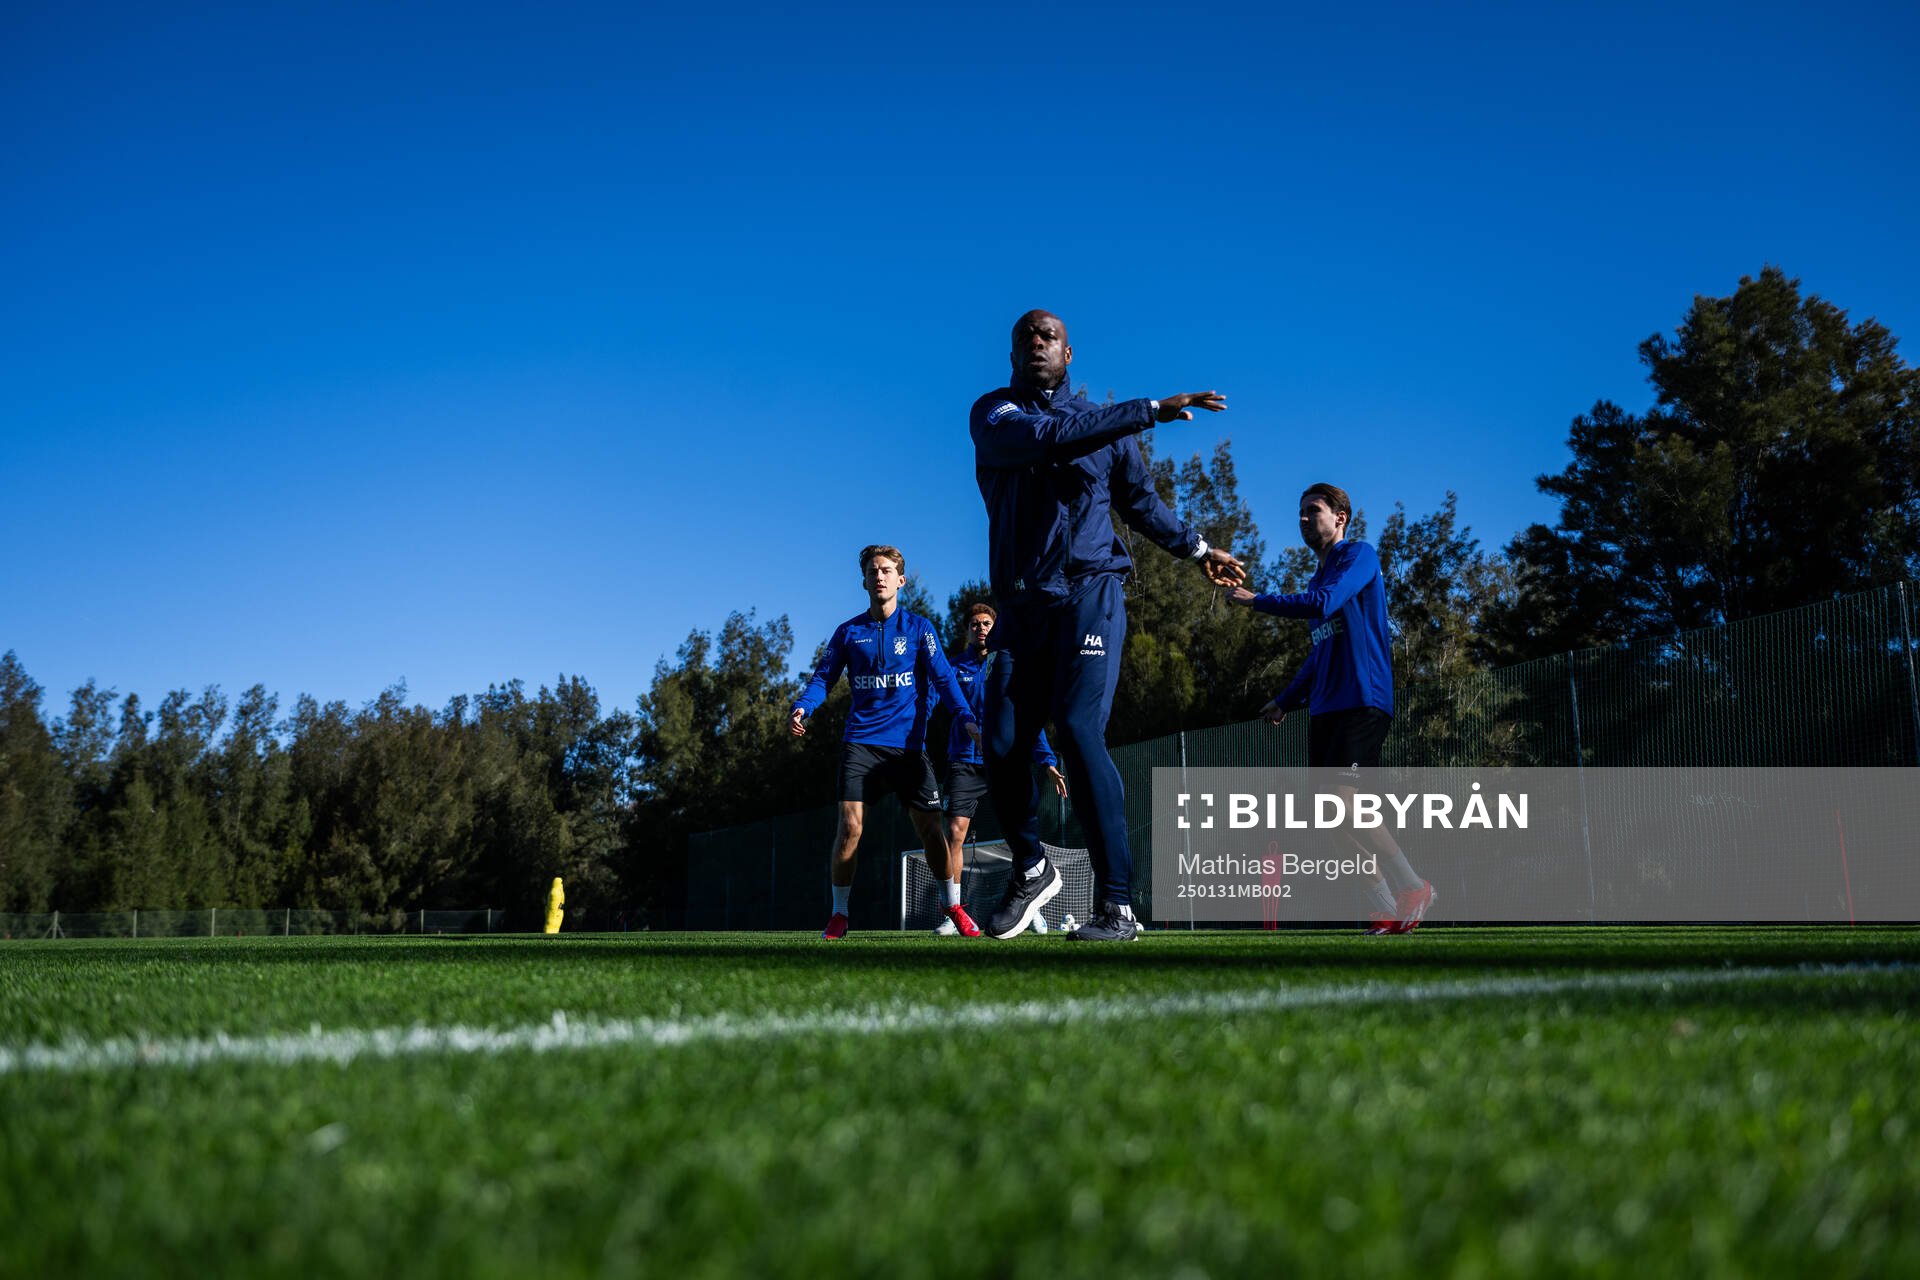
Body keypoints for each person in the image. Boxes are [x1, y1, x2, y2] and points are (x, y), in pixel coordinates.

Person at [970, 310, 1247, 941]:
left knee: (1075, 726)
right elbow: (1048, 438)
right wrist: (1148, 407)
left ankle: (1118, 907)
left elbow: (1141, 502)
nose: (1036, 343)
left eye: (1049, 337)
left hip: (1091, 594)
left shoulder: (1108, 428)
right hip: (1022, 607)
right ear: (1013, 353)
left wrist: (1200, 551)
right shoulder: (994, 416)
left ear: (1069, 354)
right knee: (1003, 741)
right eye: (1025, 337)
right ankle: (1034, 868)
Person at [1228, 483, 1436, 933]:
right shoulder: (1315, 579)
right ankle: (1383, 906)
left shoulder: (1358, 556)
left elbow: (1322, 605)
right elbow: (1320, 651)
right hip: (1325, 708)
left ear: (1340, 517)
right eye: (1300, 513)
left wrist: (1255, 600)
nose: (1304, 519)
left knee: (1343, 802)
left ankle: (1413, 885)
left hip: (1362, 699)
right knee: (1329, 818)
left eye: (1313, 511)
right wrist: (1285, 700)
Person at [790, 544, 983, 939]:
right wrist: (803, 707)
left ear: (901, 580)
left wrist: (964, 717)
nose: (879, 576)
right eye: (873, 571)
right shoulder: (848, 632)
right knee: (849, 828)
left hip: (908, 749)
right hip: (860, 743)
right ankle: (839, 915)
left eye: (886, 570)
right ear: (864, 580)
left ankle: (953, 906)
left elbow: (945, 679)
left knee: (931, 831)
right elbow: (823, 678)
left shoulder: (920, 629)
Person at [931, 602, 1069, 934]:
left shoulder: (1008, 665)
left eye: (987, 623)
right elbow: (929, 703)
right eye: (975, 624)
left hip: (1006, 760)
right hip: (965, 763)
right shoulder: (952, 669)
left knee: (1017, 833)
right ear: (966, 631)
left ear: (996, 628)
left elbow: (1028, 718)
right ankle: (954, 912)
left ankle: (1028, 902)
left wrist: (1047, 761)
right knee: (953, 834)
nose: (981, 628)